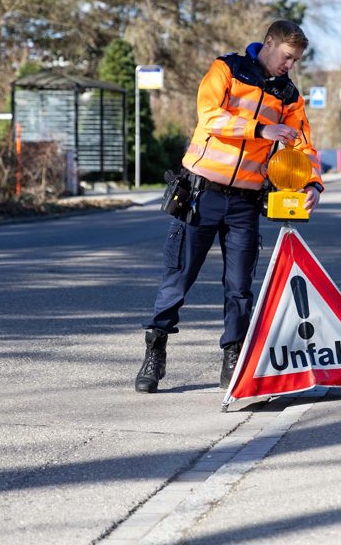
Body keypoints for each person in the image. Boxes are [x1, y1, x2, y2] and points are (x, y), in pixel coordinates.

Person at [136, 20, 324, 393]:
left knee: (239, 288)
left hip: (244, 203)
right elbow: (209, 116)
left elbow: (302, 143)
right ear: (269, 44)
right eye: (287, 57)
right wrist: (260, 129)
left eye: (296, 60)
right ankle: (155, 351)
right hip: (200, 195)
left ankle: (233, 356)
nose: (290, 66)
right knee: (179, 278)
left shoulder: (288, 95)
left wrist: (313, 181)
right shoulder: (227, 70)